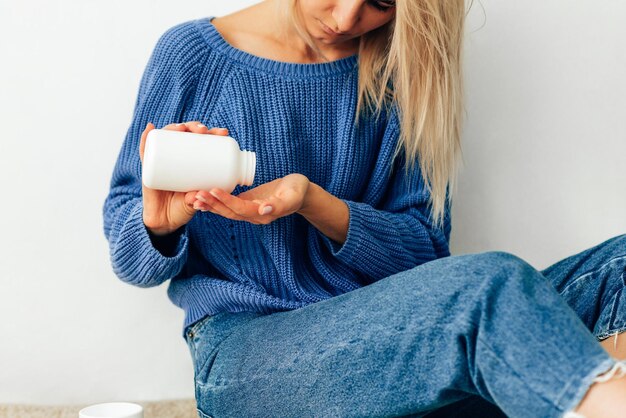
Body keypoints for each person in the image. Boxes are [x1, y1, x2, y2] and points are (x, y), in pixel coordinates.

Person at [102, 1, 626, 417]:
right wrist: (158, 225)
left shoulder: (398, 74)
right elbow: (129, 262)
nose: (348, 17)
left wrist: (313, 202)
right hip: (247, 356)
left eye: (380, 3)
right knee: (487, 288)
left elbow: (423, 256)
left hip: (394, 356)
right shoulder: (192, 56)